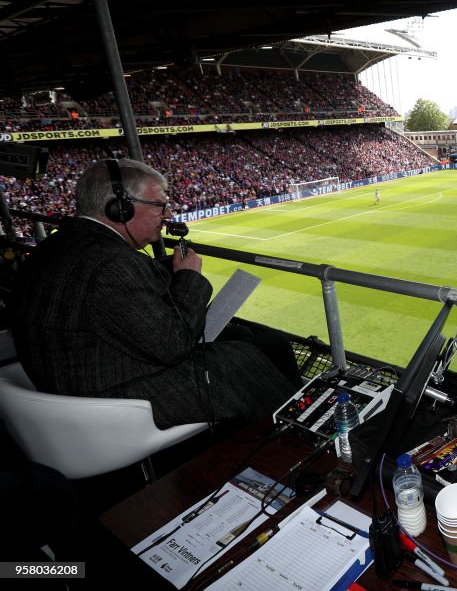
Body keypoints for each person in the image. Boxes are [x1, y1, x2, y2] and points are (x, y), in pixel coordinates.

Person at [12, 159, 300, 430]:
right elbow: (173, 346)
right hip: (107, 399)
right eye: (160, 206)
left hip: (70, 381)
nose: (168, 215)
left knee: (251, 337)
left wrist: (159, 272)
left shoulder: (55, 245)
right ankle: (299, 433)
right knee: (241, 359)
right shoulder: (112, 263)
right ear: (120, 209)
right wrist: (189, 276)